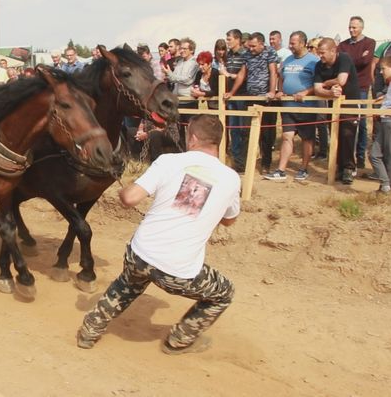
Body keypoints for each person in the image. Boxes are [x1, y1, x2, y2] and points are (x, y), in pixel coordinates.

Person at [77, 114, 239, 354]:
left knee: (128, 282)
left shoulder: (168, 162)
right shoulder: (232, 178)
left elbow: (130, 199)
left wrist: (122, 191)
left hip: (139, 254)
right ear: (217, 142)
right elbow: (229, 220)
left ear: (192, 138)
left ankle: (90, 330)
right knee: (224, 292)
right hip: (178, 271)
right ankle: (179, 340)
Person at [264, 31, 319, 181]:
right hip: (288, 106)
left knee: (307, 138)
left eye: (293, 43)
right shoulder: (287, 60)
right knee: (287, 136)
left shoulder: (313, 61)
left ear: (302, 43)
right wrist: (280, 90)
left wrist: (306, 92)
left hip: (306, 107)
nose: (290, 46)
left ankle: (304, 168)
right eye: (290, 43)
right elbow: (281, 77)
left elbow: (319, 84)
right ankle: (281, 170)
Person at [224, 32, 278, 173]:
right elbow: (242, 73)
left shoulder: (270, 52)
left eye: (254, 46)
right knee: (246, 132)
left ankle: (265, 165)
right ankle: (245, 164)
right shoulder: (247, 55)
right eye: (250, 46)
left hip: (265, 98)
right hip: (250, 97)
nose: (251, 49)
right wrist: (232, 92)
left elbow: (273, 72)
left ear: (261, 44)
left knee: (266, 133)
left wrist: (272, 91)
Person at [314, 37, 361, 185]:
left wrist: (327, 83)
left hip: (350, 104)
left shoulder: (344, 59)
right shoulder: (319, 66)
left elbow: (342, 80)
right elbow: (317, 88)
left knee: (348, 134)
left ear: (333, 51)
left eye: (322, 53)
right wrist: (329, 93)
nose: (320, 56)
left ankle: (348, 168)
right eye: (318, 53)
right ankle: (338, 167)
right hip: (332, 104)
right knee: (335, 135)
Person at [337, 16, 376, 169]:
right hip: (344, 88)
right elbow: (343, 61)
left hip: (361, 87)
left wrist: (348, 61)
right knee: (344, 122)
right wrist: (355, 60)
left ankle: (360, 156)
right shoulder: (343, 44)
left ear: (361, 28)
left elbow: (365, 62)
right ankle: (345, 158)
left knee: (361, 122)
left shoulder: (369, 42)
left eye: (355, 27)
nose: (352, 30)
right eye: (350, 27)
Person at [222, 29, 248, 172]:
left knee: (243, 129)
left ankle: (243, 162)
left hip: (242, 96)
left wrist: (229, 75)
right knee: (234, 129)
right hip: (231, 97)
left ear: (238, 39)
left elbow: (243, 76)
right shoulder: (229, 55)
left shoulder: (245, 55)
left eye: (229, 39)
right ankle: (237, 162)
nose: (227, 41)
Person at [369, 56, 391, 194]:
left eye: (384, 69)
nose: (381, 72)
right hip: (385, 121)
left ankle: (387, 186)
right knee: (374, 154)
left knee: (389, 155)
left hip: (390, 122)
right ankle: (385, 184)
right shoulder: (390, 85)